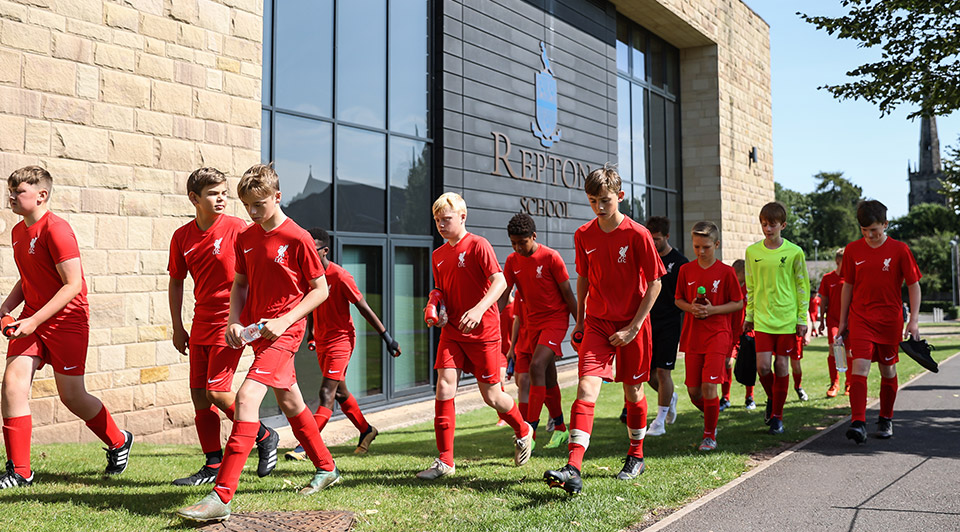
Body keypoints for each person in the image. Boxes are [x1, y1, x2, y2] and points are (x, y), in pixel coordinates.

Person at [178, 164, 339, 522]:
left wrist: (284, 321)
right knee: (291, 399)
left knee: (248, 397)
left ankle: (221, 496)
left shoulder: (297, 238)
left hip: (286, 332)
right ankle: (327, 468)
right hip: (256, 333)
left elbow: (321, 290)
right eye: (247, 205)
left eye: (260, 204)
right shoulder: (246, 237)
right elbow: (240, 285)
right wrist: (235, 321)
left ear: (277, 197)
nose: (252, 212)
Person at [0, 166, 133, 488]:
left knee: (72, 397)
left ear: (41, 195)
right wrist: (6, 308)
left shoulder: (57, 230)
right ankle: (20, 471)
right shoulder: (19, 232)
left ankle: (118, 440)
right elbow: (29, 276)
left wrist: (33, 321)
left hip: (66, 321)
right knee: (11, 385)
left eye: (19, 191)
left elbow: (72, 284)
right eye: (11, 191)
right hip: (32, 318)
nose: (11, 197)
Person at [543, 166, 664, 495]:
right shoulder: (583, 235)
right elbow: (582, 278)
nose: (599, 207)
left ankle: (636, 455)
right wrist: (580, 320)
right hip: (596, 323)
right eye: (593, 200)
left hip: (633, 324)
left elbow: (655, 283)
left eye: (606, 201)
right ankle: (573, 468)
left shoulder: (637, 234)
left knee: (633, 392)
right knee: (585, 389)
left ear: (620, 197)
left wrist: (634, 327)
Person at [168, 167, 279, 486]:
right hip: (199, 323)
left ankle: (263, 435)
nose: (222, 199)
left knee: (217, 392)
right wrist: (177, 326)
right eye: (213, 194)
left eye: (224, 193)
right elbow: (176, 282)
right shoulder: (182, 236)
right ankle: (212, 465)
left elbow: (259, 271)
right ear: (194, 198)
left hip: (231, 322)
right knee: (199, 397)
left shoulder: (239, 229)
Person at [416, 192, 532, 480]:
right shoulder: (438, 255)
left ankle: (522, 429)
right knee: (444, 387)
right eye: (437, 221)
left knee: (492, 397)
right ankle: (445, 461)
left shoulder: (479, 245)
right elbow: (442, 290)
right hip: (453, 331)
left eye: (447, 219)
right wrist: (438, 308)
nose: (441, 225)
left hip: (484, 332)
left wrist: (479, 310)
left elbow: (500, 282)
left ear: (463, 217)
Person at [284, 228, 400, 461]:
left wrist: (387, 337)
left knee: (326, 392)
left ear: (325, 250)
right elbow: (311, 307)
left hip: (341, 341)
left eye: (312, 249)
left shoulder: (341, 276)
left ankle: (305, 447)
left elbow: (363, 308)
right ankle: (367, 430)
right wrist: (311, 334)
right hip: (323, 341)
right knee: (340, 393)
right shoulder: (310, 277)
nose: (306, 254)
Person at [837, 200, 921, 443]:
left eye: (874, 230)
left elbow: (914, 286)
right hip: (860, 318)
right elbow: (848, 287)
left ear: (885, 224)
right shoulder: (852, 250)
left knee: (888, 369)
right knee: (859, 368)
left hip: (889, 321)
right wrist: (843, 321)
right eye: (864, 231)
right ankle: (858, 422)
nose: (869, 235)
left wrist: (913, 320)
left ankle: (885, 418)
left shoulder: (900, 249)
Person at [500, 213, 577, 450]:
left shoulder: (552, 258)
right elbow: (504, 295)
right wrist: (489, 317)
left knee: (535, 367)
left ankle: (529, 431)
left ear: (533, 236)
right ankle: (562, 429)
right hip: (531, 324)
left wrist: (581, 327)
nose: (517, 247)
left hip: (555, 320)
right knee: (549, 375)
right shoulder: (512, 261)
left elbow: (568, 295)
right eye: (513, 243)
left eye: (522, 242)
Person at [674, 222, 743, 451]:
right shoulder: (686, 270)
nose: (701, 252)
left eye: (706, 247)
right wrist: (690, 307)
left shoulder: (726, 272)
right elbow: (678, 299)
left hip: (718, 335)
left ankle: (709, 435)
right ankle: (712, 419)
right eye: (696, 247)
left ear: (717, 244)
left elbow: (738, 303)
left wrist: (712, 310)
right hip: (693, 336)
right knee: (694, 392)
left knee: (710, 387)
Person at [744, 201, 809, 435]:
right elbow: (750, 286)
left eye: (772, 225)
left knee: (782, 365)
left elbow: (802, 286)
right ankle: (774, 399)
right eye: (764, 224)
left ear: (783, 225)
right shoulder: (752, 252)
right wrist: (749, 315)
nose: (768, 229)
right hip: (762, 319)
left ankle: (777, 417)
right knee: (763, 368)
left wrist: (803, 319)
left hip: (787, 320)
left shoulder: (795, 252)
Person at [643, 216, 687, 436]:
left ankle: (659, 421)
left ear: (667, 237)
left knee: (663, 371)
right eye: (650, 238)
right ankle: (670, 398)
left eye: (657, 239)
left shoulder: (679, 262)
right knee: (646, 374)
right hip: (647, 323)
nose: (653, 242)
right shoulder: (645, 258)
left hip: (670, 323)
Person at [722, 259, 756, 410]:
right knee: (727, 362)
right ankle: (725, 398)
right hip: (731, 332)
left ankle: (749, 397)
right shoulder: (728, 287)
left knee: (749, 364)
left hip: (748, 332)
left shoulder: (750, 288)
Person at [818, 249, 849, 397]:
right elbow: (823, 300)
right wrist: (822, 320)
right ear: (838, 262)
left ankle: (849, 384)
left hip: (850, 321)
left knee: (849, 352)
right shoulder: (828, 278)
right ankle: (834, 384)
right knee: (834, 349)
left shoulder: (852, 279)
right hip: (833, 320)